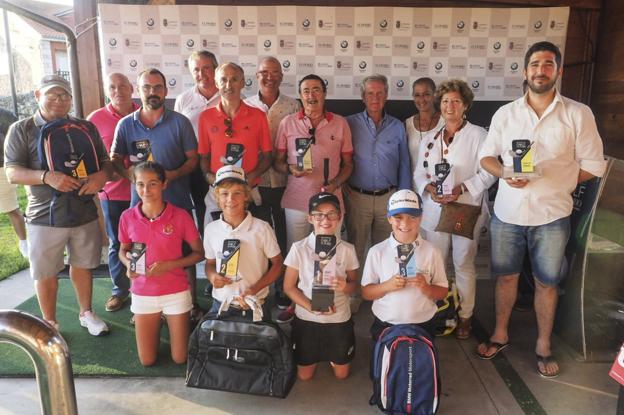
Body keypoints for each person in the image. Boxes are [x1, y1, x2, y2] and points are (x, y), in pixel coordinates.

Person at [477, 41, 606, 378]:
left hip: (552, 215)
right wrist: (505, 173)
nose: (540, 70)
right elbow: (486, 157)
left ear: (558, 71)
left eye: (548, 64)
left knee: (547, 283)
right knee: (505, 278)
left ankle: (543, 344)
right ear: (525, 70)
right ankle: (500, 333)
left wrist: (561, 183)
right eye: (535, 64)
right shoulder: (506, 114)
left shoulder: (578, 114)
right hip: (508, 212)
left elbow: (594, 164)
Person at [4, 74, 112, 334]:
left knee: (84, 265)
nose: (59, 101)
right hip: (44, 216)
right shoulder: (22, 129)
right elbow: (12, 172)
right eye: (52, 95)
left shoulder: (84, 127)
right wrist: (46, 177)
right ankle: (49, 322)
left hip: (83, 212)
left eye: (64, 96)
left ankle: (86, 313)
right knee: (46, 272)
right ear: (38, 96)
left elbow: (105, 162)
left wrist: (100, 176)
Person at [110, 68, 202, 322]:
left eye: (157, 87)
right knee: (139, 253)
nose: (153, 92)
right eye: (147, 88)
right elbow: (114, 158)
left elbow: (193, 160)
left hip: (177, 201)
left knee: (183, 255)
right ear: (138, 91)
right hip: (141, 206)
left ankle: (190, 304)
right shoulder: (126, 124)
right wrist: (132, 177)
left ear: (166, 90)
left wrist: (171, 175)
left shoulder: (180, 122)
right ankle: (144, 305)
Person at [413, 79, 495, 340]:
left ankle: (465, 317)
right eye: (446, 101)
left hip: (465, 211)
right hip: (435, 211)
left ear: (465, 105)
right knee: (435, 266)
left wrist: (463, 188)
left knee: (463, 264)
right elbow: (419, 172)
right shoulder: (429, 138)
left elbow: (489, 173)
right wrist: (429, 188)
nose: (450, 106)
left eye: (456, 101)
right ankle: (434, 314)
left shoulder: (480, 136)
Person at [274, 74, 354, 323]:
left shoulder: (340, 123)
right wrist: (291, 169)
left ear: (325, 94)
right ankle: (297, 304)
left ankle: (328, 303)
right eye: (306, 90)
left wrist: (335, 183)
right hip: (297, 201)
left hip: (330, 203)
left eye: (316, 90)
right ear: (300, 95)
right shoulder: (287, 123)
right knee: (297, 254)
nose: (311, 95)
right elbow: (277, 162)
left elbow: (349, 164)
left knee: (329, 256)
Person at [118, 161, 204, 366]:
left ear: (164, 184)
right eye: (140, 184)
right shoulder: (127, 217)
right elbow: (123, 250)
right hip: (142, 293)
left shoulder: (180, 216)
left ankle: (175, 322)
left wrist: (171, 265)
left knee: (180, 358)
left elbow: (199, 254)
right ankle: (158, 322)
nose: (146, 190)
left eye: (153, 183)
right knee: (147, 361)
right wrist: (128, 262)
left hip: (175, 292)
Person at [345, 74, 411, 313]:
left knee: (387, 250)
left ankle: (384, 296)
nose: (375, 97)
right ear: (363, 97)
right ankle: (355, 296)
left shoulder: (397, 126)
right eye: (370, 93)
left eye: (380, 93)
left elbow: (404, 163)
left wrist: (402, 200)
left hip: (389, 198)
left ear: (387, 96)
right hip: (357, 197)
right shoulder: (348, 123)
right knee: (357, 248)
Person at [244, 56, 301, 311]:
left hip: (285, 182)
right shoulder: (245, 105)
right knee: (257, 241)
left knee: (282, 239)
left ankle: (282, 289)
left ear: (281, 76)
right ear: (256, 75)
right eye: (264, 72)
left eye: (275, 72)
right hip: (254, 183)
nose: (269, 76)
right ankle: (259, 288)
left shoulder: (293, 105)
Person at [283, 192, 359, 380]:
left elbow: (354, 286)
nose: (325, 219)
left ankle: (334, 356)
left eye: (332, 213)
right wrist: (310, 307)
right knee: (304, 376)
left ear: (339, 217)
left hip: (338, 318)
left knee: (342, 375)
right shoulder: (299, 248)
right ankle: (315, 355)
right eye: (318, 214)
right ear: (310, 218)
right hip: (307, 319)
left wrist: (344, 286)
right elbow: (289, 287)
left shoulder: (347, 249)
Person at [361, 189, 448, 341]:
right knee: (386, 364)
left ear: (421, 218)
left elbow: (442, 292)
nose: (405, 224)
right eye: (398, 217)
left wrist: (426, 287)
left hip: (423, 324)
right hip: (386, 324)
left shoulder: (432, 251)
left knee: (421, 364)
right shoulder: (377, 251)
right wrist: (387, 286)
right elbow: (366, 293)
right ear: (389, 218)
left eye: (412, 217)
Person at [87, 73, 139, 312]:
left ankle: (143, 289)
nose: (118, 91)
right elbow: (90, 158)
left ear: (132, 88)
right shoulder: (95, 119)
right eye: (113, 87)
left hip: (146, 194)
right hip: (113, 194)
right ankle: (120, 290)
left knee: (143, 242)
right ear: (107, 91)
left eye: (123, 86)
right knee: (118, 243)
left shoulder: (144, 114)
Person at [203, 165, 283, 319]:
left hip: (255, 302)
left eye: (237, 193)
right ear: (217, 197)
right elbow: (210, 263)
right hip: (221, 302)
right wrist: (212, 276)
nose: (230, 200)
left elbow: (278, 263)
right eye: (224, 194)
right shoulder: (211, 229)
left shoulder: (262, 228)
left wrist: (255, 289)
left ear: (246, 195)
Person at [197, 62, 273, 226]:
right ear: (217, 84)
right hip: (218, 191)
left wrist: (250, 178)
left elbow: (267, 156)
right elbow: (203, 156)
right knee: (214, 244)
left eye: (234, 79)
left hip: (249, 191)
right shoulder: (205, 117)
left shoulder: (258, 116)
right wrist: (209, 177)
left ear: (243, 82)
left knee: (252, 245)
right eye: (223, 80)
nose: (228, 85)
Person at [175, 50, 220, 232]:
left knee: (227, 206)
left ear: (216, 69)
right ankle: (206, 250)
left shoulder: (230, 96)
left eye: (207, 68)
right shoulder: (183, 99)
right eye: (196, 70)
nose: (201, 74)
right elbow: (177, 134)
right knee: (201, 208)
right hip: (193, 163)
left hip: (220, 163)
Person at [0, 108, 27, 257]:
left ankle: (24, 243)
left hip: (2, 168)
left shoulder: (4, 115)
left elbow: (16, 138)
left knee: (11, 208)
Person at [405, 78, 443, 179]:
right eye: (417, 95)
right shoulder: (407, 124)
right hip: (414, 187)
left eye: (426, 94)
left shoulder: (445, 121)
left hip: (439, 185)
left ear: (434, 95)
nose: (422, 99)